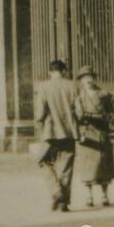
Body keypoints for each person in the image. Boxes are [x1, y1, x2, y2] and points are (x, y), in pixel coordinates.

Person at [35, 58, 80, 212]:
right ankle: (63, 203)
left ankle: (56, 191)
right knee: (66, 166)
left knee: (42, 160)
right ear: (64, 71)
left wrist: (39, 120)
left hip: (51, 131)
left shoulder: (44, 87)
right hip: (69, 131)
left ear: (50, 72)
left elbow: (40, 113)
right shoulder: (73, 85)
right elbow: (79, 111)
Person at [72, 65, 114, 207]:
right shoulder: (78, 96)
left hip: (101, 131)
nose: (88, 80)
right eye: (85, 78)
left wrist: (107, 119)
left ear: (94, 78)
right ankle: (89, 196)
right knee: (87, 166)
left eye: (90, 77)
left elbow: (112, 114)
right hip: (87, 133)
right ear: (81, 80)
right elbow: (76, 115)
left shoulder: (104, 94)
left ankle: (105, 195)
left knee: (104, 164)